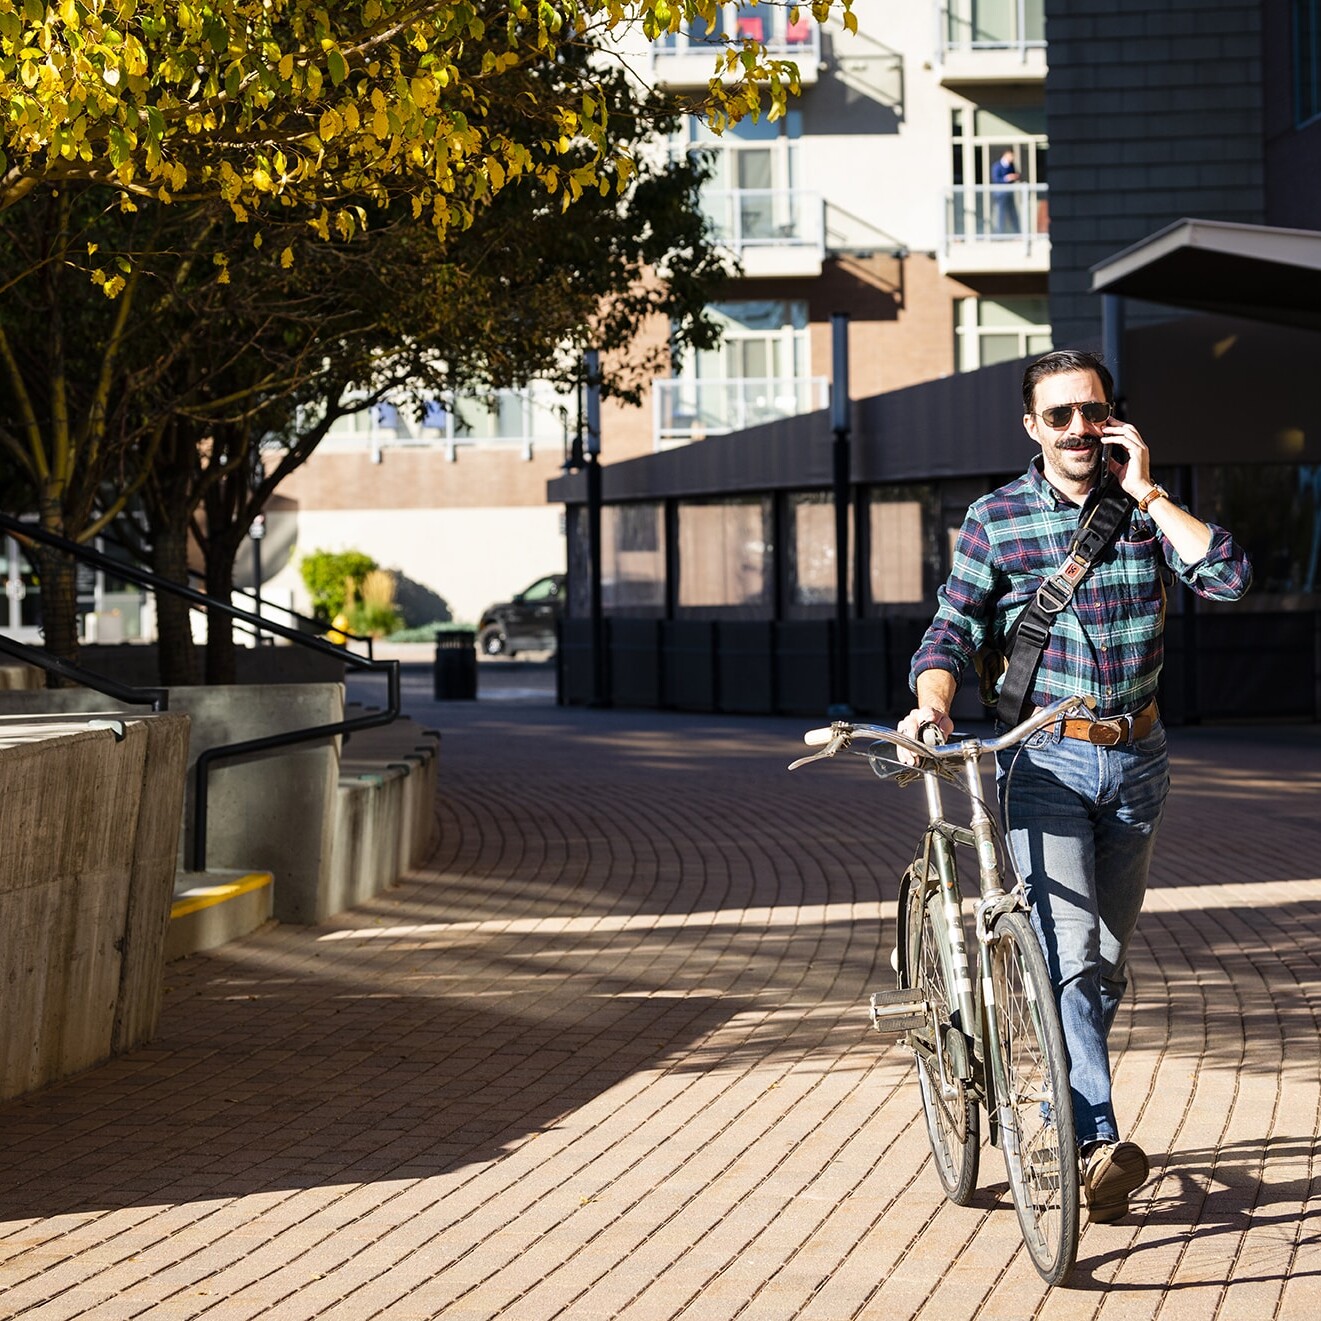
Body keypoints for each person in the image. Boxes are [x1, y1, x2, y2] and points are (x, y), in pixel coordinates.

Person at [899, 349, 1251, 1224]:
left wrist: (1151, 493)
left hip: (1137, 759)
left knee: (1102, 954)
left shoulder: (1138, 512)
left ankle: (1058, 1063)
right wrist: (931, 708)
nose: (1076, 430)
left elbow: (1231, 578)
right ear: (1031, 427)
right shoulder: (996, 519)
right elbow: (948, 631)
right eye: (1057, 416)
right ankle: (1092, 1138)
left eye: (1090, 412)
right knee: (1073, 950)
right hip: (1041, 761)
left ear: (1113, 418)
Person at [990, 148, 1020, 235]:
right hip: (1000, 194)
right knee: (1001, 213)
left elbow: (1014, 176)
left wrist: (1014, 177)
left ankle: (1017, 232)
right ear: (1006, 154)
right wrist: (1006, 178)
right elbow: (996, 179)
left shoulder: (1011, 165)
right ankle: (1000, 233)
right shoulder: (997, 166)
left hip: (1009, 193)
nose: (1012, 158)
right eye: (1011, 156)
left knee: (1013, 213)